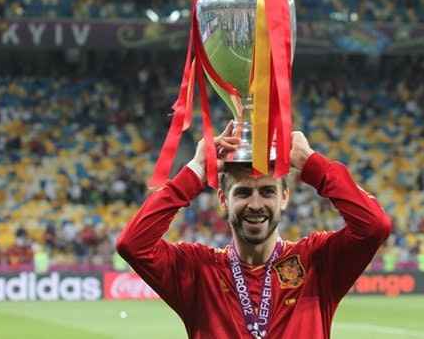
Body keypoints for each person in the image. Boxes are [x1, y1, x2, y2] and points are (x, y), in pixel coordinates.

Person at [116, 123, 391, 338]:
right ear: (224, 200)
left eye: (268, 191)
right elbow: (133, 244)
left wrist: (311, 163)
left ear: (284, 198)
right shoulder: (198, 272)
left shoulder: (317, 263)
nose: (256, 204)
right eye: (243, 192)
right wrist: (196, 170)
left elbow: (374, 226)